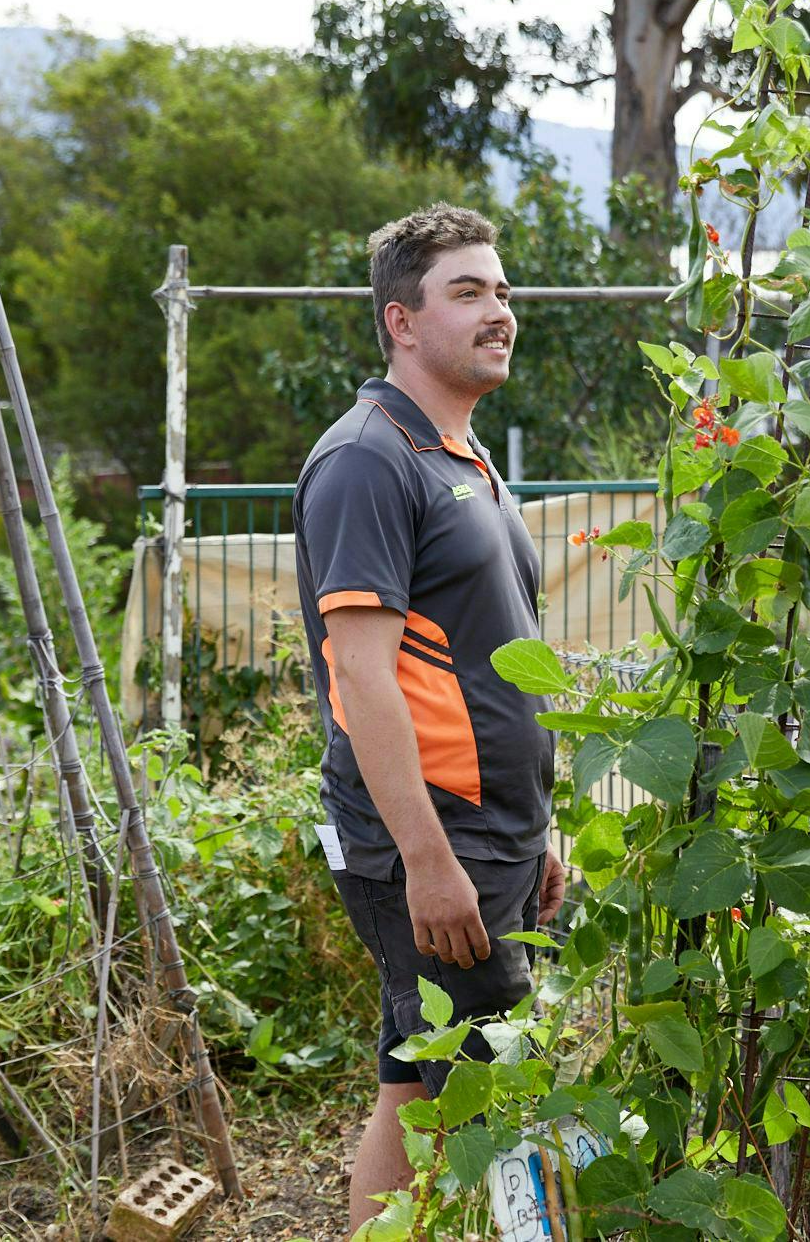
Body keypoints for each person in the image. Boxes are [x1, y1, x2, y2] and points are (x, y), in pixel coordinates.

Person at [292, 202, 567, 1232]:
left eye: (501, 292)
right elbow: (360, 676)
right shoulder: (369, 460)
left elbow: (484, 665)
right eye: (468, 293)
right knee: (494, 1087)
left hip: (488, 836)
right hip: (428, 839)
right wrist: (426, 859)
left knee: (417, 1080)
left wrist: (535, 830)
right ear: (402, 322)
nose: (498, 311)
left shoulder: (465, 457)